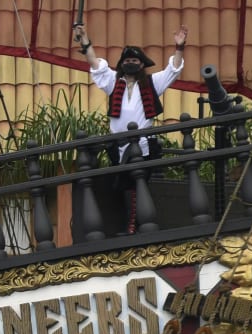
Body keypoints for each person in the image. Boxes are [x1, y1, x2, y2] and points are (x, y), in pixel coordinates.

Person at [72, 23, 187, 232]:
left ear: (142, 64)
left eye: (134, 60)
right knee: (123, 185)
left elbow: (173, 70)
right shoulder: (113, 83)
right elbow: (96, 65)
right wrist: (85, 40)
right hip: (120, 146)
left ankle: (137, 225)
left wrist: (179, 48)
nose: (130, 63)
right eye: (127, 60)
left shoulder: (152, 83)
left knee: (138, 183)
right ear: (121, 64)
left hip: (143, 145)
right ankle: (130, 224)